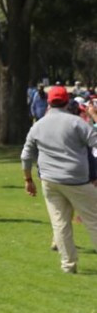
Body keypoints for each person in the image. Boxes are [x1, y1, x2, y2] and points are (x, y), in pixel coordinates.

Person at [21, 85, 97, 273]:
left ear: (48, 102)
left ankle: (68, 264)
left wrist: (28, 179)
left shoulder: (38, 125)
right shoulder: (77, 122)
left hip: (50, 180)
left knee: (60, 223)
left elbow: (26, 155)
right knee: (94, 220)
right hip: (77, 180)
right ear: (66, 101)